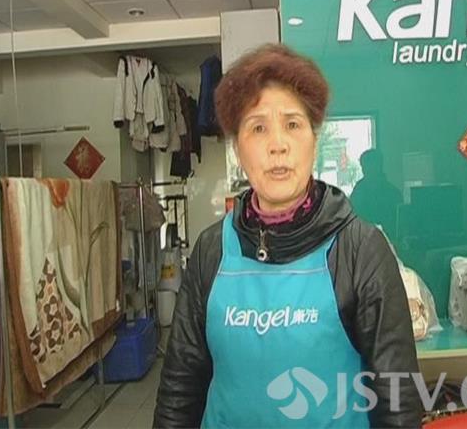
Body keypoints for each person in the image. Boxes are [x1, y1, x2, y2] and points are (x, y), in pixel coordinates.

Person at [153, 44, 422, 428]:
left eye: (293, 124)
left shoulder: (359, 250)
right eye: (258, 127)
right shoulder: (212, 250)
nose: (277, 144)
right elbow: (181, 385)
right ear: (238, 148)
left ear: (314, 141)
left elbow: (397, 400)